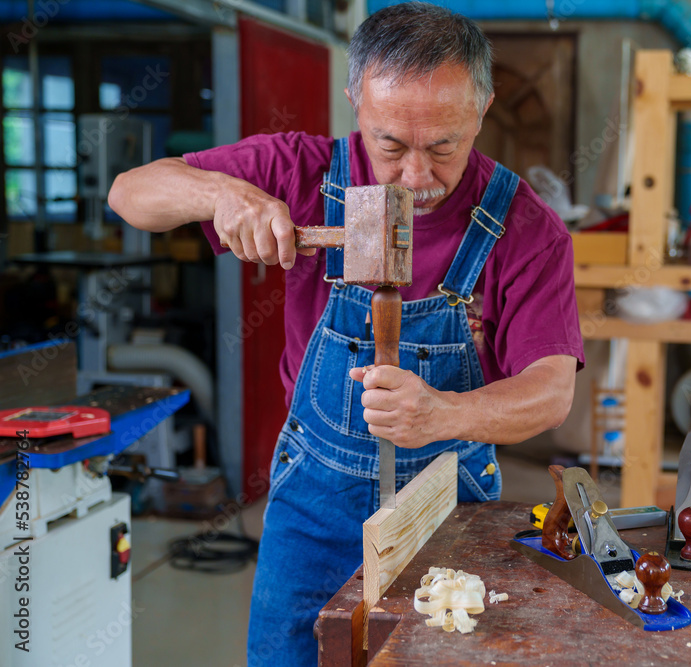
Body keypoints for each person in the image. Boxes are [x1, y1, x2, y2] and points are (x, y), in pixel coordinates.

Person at [109, 3, 583, 664]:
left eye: (443, 146)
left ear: (482, 109)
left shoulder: (524, 229)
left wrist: (443, 412)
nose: (415, 179)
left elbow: (551, 390)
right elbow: (130, 193)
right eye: (389, 144)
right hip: (313, 506)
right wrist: (219, 194)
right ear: (355, 100)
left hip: (449, 505)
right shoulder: (301, 172)